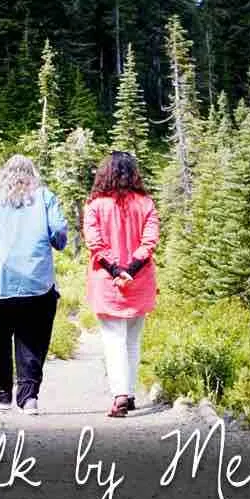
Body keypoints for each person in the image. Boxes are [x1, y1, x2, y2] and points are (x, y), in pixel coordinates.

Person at [0, 155, 68, 415]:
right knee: (33, 341)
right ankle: (29, 398)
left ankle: (1, 394)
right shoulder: (44, 197)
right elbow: (59, 232)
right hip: (36, 283)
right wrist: (57, 242)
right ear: (33, 174)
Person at [82, 151, 160, 417]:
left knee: (113, 339)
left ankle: (120, 395)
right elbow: (149, 242)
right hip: (139, 281)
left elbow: (95, 244)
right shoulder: (146, 203)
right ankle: (129, 393)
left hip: (108, 282)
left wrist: (116, 270)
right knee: (132, 340)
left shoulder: (95, 205)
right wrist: (131, 270)